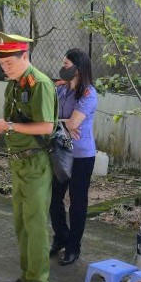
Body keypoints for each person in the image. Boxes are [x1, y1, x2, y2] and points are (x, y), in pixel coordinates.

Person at [0, 32, 55, 282]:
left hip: (36, 163)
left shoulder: (41, 85)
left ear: (25, 56)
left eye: (10, 62)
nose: (5, 68)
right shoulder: (14, 84)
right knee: (21, 223)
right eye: (2, 64)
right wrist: (1, 126)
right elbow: (14, 121)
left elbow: (46, 127)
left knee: (35, 225)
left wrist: (8, 127)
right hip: (19, 161)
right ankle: (27, 277)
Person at [48, 48, 98, 266]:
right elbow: (49, 116)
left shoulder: (88, 93)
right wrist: (63, 123)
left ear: (78, 69)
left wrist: (63, 122)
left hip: (81, 155)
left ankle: (73, 247)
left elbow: (74, 123)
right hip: (61, 151)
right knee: (53, 199)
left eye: (67, 64)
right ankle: (61, 236)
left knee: (77, 203)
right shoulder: (60, 89)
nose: (63, 67)